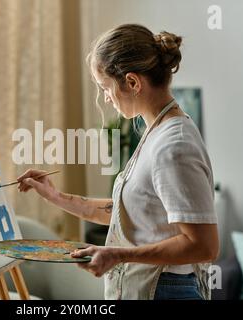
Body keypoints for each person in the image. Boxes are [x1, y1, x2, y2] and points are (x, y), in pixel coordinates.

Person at [17, 24, 219, 300]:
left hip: (165, 291)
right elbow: (132, 216)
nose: (105, 97)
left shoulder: (173, 145)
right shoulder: (156, 133)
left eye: (104, 87)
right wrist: (55, 196)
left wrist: (117, 254)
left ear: (133, 82)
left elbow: (203, 246)